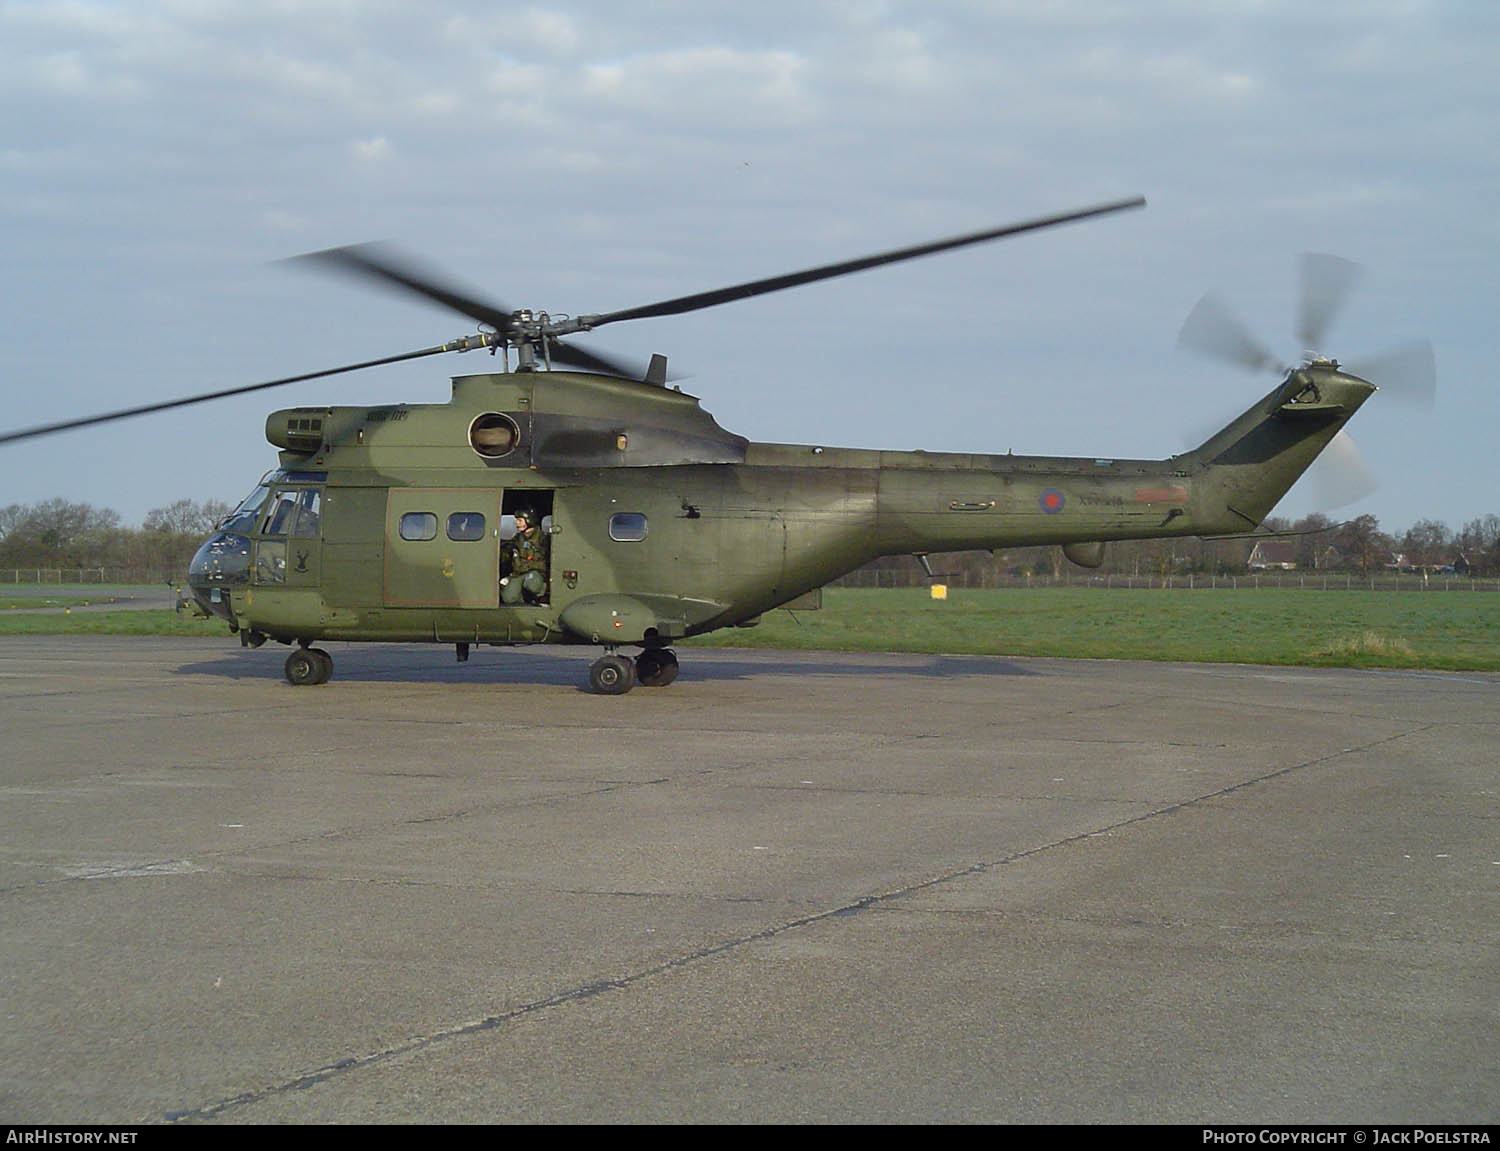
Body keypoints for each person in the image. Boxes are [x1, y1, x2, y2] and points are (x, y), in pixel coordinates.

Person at [501, 507, 548, 604]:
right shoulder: (517, 539)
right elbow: (506, 553)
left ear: (529, 520)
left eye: (519, 520)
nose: (516, 523)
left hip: (536, 573)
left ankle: (539, 595)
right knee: (508, 598)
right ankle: (525, 603)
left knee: (532, 584)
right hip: (519, 573)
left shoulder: (543, 539)